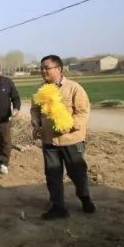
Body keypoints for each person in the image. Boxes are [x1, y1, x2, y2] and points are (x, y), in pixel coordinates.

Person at [31, 55, 95, 220]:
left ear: (59, 69)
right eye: (41, 68)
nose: (43, 71)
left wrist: (71, 125)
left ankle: (84, 197)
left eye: (47, 68)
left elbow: (83, 112)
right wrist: (36, 124)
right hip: (49, 141)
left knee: (77, 172)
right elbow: (35, 110)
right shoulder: (40, 90)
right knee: (52, 175)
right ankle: (58, 207)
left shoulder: (74, 88)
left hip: (71, 140)